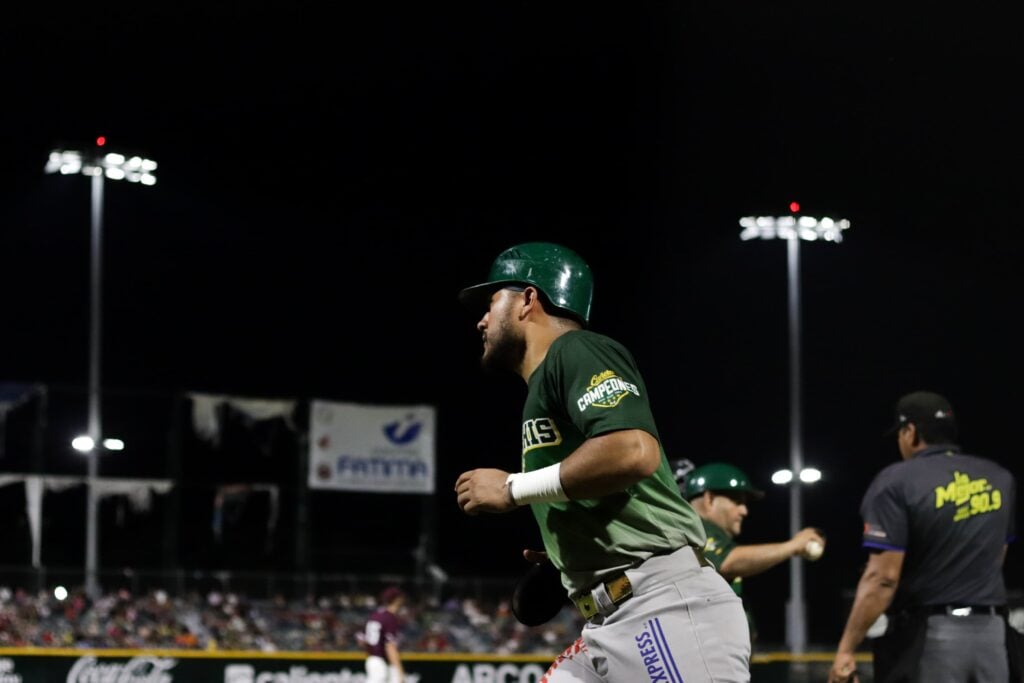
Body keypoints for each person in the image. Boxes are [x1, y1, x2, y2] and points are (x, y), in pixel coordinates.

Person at [454, 241, 751, 682]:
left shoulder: (574, 350)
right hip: (607, 619)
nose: (481, 318)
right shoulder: (543, 386)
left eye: (493, 300)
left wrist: (512, 488)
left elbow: (632, 451)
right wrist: (569, 548)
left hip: (662, 605)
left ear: (529, 299)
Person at [827, 390, 1018, 683]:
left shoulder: (897, 481)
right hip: (993, 636)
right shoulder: (999, 478)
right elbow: (996, 557)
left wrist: (846, 650)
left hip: (933, 636)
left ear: (910, 431)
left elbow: (883, 578)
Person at [677, 461, 826, 642]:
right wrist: (793, 546)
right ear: (709, 499)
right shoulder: (695, 530)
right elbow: (728, 562)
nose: (744, 510)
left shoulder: (714, 536)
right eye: (737, 501)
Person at [363, 585, 407, 683]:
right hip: (380, 662)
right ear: (397, 599)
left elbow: (363, 640)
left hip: (372, 659)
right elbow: (390, 646)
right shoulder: (389, 617)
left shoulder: (375, 615)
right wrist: (400, 672)